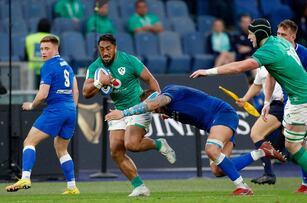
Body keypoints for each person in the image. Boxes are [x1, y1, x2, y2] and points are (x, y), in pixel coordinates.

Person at [191, 18, 307, 194]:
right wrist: (267, 102)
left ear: (258, 34)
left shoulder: (268, 50)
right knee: (297, 140)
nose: (249, 37)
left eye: (251, 33)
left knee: (293, 145)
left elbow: (239, 67)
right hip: (297, 97)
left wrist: (209, 71)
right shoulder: (278, 42)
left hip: (301, 98)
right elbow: (272, 75)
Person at [104, 84, 286, 196]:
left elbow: (154, 103)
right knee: (218, 170)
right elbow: (163, 107)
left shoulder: (170, 92)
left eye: (154, 109)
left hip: (222, 114)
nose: (155, 112)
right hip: (216, 124)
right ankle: (262, 152)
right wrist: (165, 113)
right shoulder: (167, 108)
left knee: (211, 150)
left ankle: (243, 188)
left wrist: (124, 113)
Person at [82, 34, 175, 197]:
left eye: (108, 48)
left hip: (138, 108)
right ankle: (140, 187)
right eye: (102, 49)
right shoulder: (95, 67)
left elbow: (151, 80)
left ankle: (159, 144)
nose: (105, 52)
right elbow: (86, 93)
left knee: (131, 144)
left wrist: (162, 106)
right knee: (116, 151)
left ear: (115, 48)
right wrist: (99, 82)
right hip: (119, 112)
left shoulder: (129, 60)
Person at [238, 66, 307, 189]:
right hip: (281, 105)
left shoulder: (278, 59)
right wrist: (245, 99)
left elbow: (297, 79)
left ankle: (269, 173)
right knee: (299, 145)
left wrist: (214, 71)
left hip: (284, 104)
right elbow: (257, 85)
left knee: (257, 134)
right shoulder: (262, 65)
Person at [5, 35, 80, 194]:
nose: (43, 52)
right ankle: (72, 187)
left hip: (56, 109)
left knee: (29, 142)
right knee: (61, 149)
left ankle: (25, 177)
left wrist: (32, 105)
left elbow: (43, 94)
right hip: (70, 110)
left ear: (56, 49)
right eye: (41, 49)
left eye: (47, 49)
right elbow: (76, 90)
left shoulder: (48, 66)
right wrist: (71, 108)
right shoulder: (67, 65)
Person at [25, 18, 54, 87]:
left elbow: (26, 56)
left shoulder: (29, 38)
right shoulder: (55, 39)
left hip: (32, 72)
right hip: (49, 71)